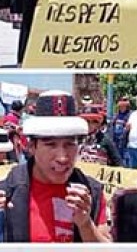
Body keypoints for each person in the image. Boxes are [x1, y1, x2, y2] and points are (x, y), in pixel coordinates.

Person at [0, 90, 110, 243]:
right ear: (31, 147)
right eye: (51, 145)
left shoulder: (92, 192)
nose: (62, 158)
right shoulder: (8, 193)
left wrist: (86, 224)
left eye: (70, 144)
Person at [111, 99, 130, 165]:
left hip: (125, 140)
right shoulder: (116, 115)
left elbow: (129, 127)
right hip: (116, 139)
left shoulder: (129, 115)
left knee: (125, 157)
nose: (122, 108)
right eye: (120, 106)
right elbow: (112, 125)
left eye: (123, 106)